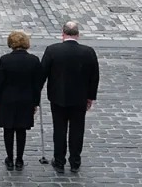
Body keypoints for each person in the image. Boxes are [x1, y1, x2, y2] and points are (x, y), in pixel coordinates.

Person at [41, 21, 100, 174]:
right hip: (79, 98)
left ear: (63, 33)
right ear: (78, 35)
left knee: (59, 130)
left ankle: (59, 161)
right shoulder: (88, 52)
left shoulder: (52, 50)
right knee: (77, 130)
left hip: (58, 97)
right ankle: (75, 161)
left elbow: (42, 74)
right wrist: (90, 97)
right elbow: (94, 77)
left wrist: (35, 94)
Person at [0, 30, 42, 170]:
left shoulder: (5, 60)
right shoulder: (33, 60)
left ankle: (9, 158)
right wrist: (35, 102)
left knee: (8, 129)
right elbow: (36, 84)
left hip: (7, 99)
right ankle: (19, 159)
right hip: (26, 99)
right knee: (21, 130)